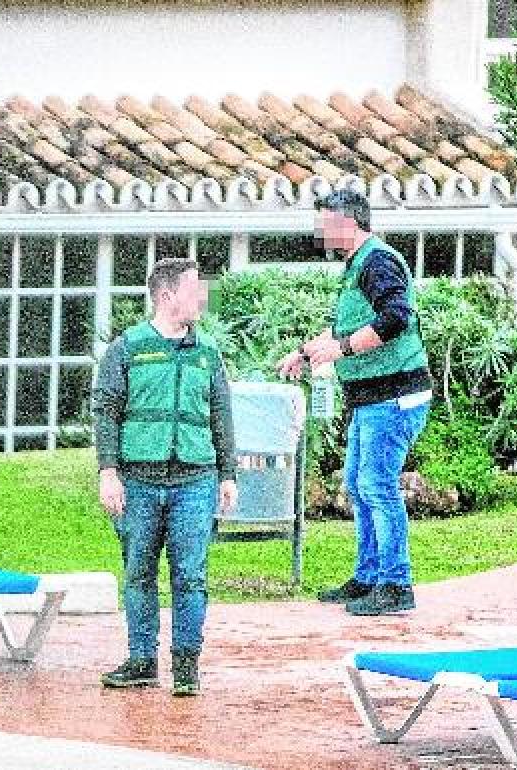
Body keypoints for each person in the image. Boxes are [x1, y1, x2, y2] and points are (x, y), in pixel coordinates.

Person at [276, 190, 431, 615]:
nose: (320, 232)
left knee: (377, 486)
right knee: (358, 487)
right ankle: (368, 577)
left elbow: (396, 318)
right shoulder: (355, 267)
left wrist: (342, 350)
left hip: (395, 395)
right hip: (372, 398)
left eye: (325, 223)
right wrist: (305, 354)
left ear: (348, 222)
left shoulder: (377, 261)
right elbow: (343, 329)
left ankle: (396, 585)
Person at [91, 257, 238, 695]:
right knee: (138, 572)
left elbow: (221, 416)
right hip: (137, 480)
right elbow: (106, 413)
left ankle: (187, 667)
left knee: (190, 575)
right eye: (195, 290)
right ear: (167, 295)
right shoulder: (126, 348)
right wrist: (108, 471)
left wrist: (227, 474)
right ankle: (141, 660)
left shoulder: (208, 354)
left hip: (195, 480)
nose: (202, 298)